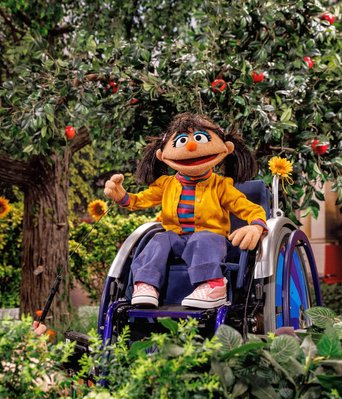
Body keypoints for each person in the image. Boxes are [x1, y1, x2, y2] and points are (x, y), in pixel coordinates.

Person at [104, 113, 267, 309]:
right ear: (162, 155)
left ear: (227, 149)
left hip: (211, 240)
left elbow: (249, 208)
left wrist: (256, 227)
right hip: (176, 239)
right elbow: (139, 200)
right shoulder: (166, 185)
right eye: (182, 141)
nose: (190, 146)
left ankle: (213, 285)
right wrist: (122, 196)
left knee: (203, 239)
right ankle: (146, 284)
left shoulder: (221, 186)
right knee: (159, 239)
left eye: (199, 138)